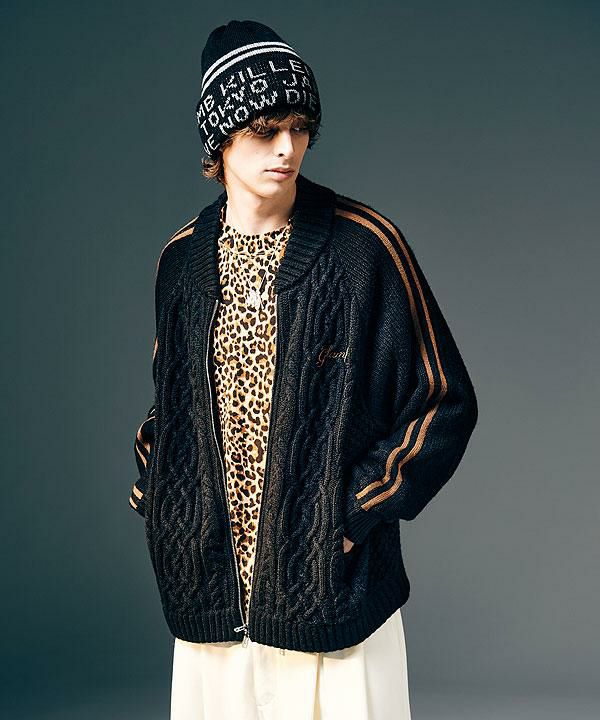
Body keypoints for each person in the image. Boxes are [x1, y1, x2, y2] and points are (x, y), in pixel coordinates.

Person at [129, 19, 478, 720]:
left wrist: (351, 514)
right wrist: (162, 502)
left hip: (332, 588)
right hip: (210, 594)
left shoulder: (363, 248)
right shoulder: (180, 261)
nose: (287, 147)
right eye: (264, 130)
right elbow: (169, 408)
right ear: (219, 140)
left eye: (299, 127)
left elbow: (443, 399)